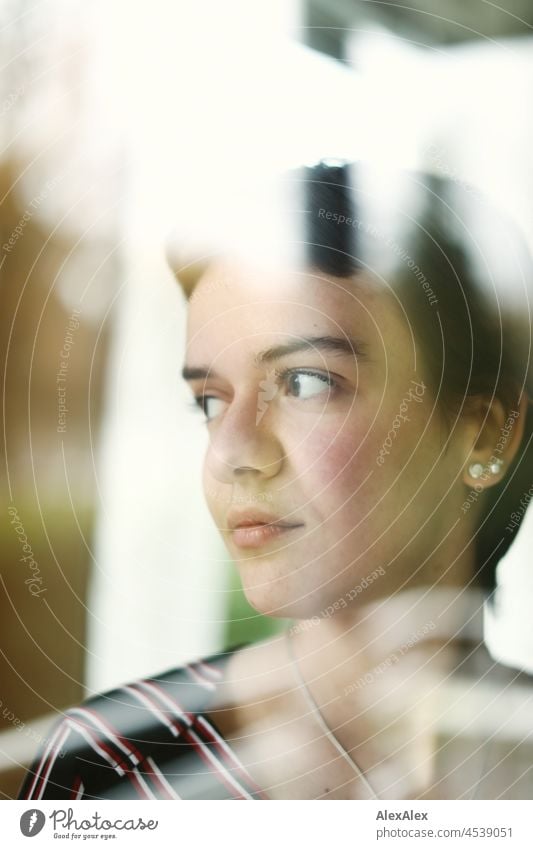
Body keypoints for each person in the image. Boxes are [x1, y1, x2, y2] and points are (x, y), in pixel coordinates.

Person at [19, 161, 533, 800]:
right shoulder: (114, 765)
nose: (231, 452)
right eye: (209, 401)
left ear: (482, 434)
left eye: (306, 383)